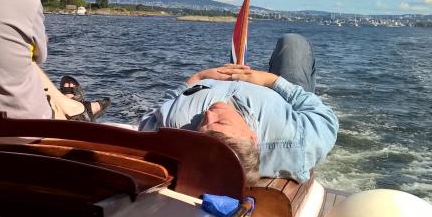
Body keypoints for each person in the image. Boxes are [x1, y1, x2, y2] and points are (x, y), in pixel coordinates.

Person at [138, 34, 338, 185]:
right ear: (252, 138)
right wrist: (271, 80)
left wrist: (198, 77)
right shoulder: (296, 141)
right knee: (293, 43)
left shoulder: (176, 124)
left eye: (203, 124)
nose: (208, 113)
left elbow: (149, 119)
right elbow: (324, 117)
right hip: (280, 95)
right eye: (220, 121)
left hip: (211, 82)